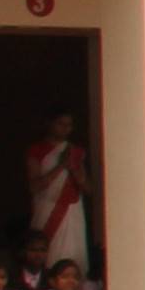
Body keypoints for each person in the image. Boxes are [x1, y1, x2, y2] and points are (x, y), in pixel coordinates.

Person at [26, 111, 94, 273]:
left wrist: (74, 169)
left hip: (72, 210)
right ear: (49, 123)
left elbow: (88, 189)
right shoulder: (37, 150)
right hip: (47, 209)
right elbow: (34, 186)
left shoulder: (75, 152)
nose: (65, 129)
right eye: (60, 124)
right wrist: (61, 165)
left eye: (69, 125)